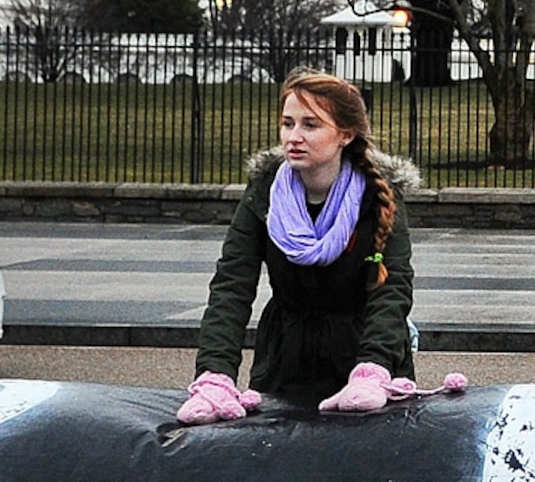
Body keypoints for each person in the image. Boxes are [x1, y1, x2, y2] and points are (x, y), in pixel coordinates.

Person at [178, 69, 420, 419]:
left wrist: (373, 369)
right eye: (287, 123)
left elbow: (392, 288)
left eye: (311, 125)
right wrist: (215, 376)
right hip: (285, 361)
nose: (294, 136)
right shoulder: (264, 194)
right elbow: (232, 286)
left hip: (364, 363)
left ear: (345, 135)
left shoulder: (378, 197)